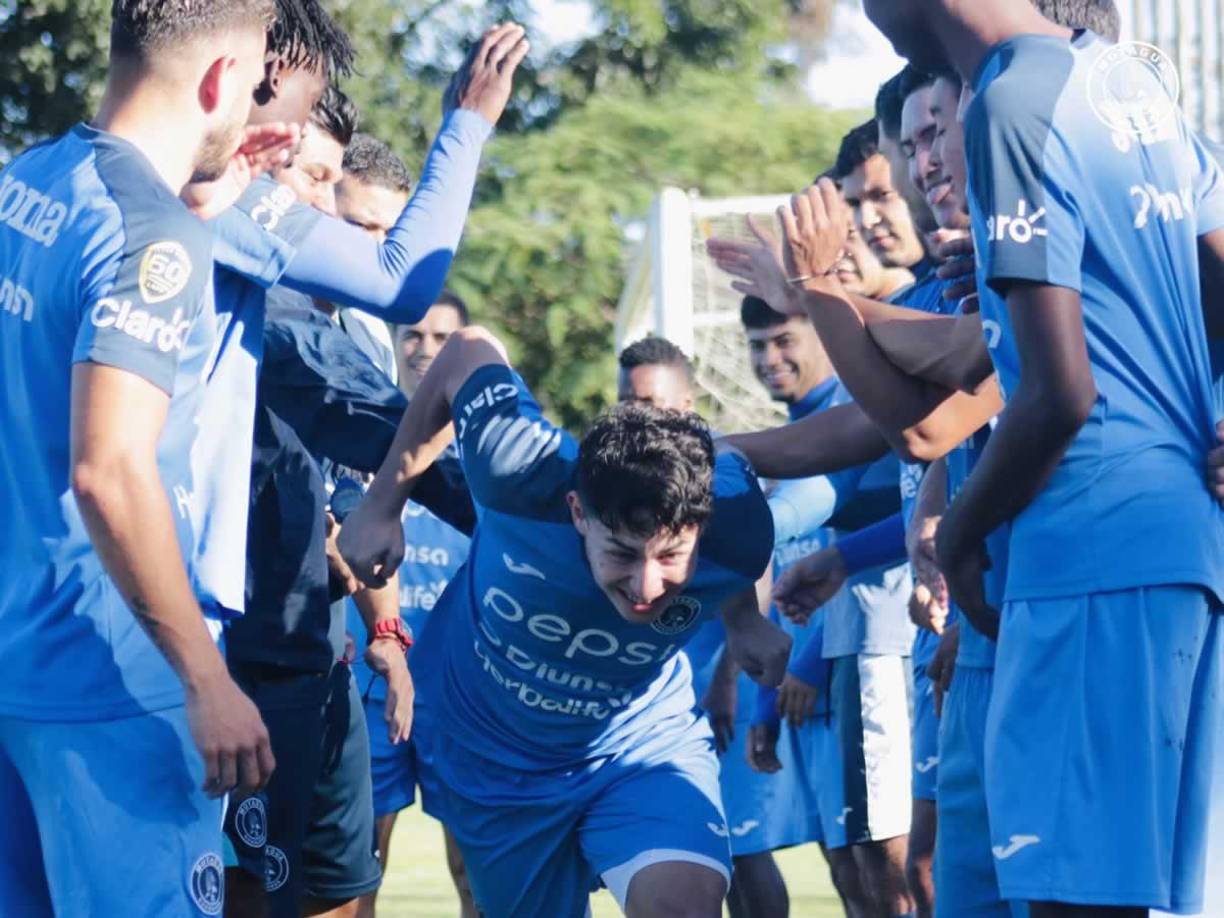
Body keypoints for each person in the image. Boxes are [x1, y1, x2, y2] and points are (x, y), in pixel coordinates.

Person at [864, 2, 1224, 916]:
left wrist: (962, 530)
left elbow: (1062, 392)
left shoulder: (1010, 101)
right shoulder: (1126, 80)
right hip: (1172, 543)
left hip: (1089, 545)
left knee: (1073, 903)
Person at [337, 325, 792, 918]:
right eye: (623, 554)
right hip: (496, 761)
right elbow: (468, 348)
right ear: (578, 512)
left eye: (671, 557)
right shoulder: (521, 465)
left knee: (683, 905)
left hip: (638, 746)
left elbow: (737, 519)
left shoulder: (736, 520)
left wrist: (745, 620)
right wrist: (381, 505)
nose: (646, 588)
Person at [0, 2, 281, 915]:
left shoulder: (26, 182)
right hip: (107, 684)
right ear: (218, 79)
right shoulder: (154, 236)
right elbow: (110, 470)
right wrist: (205, 677)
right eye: (257, 83)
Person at [348, 288, 478, 918]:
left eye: (443, 339)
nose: (426, 350)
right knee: (357, 871)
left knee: (476, 868)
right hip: (371, 690)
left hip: (462, 695)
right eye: (414, 337)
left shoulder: (488, 456)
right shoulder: (361, 441)